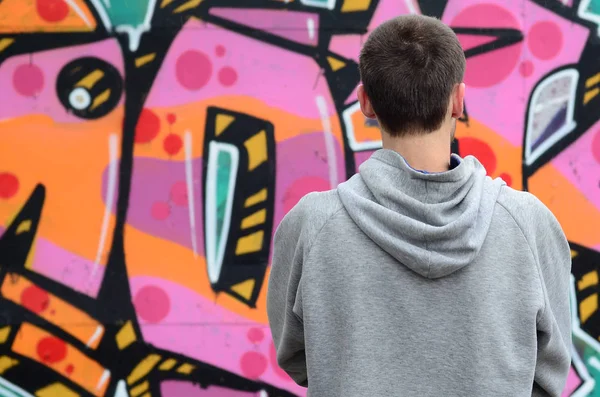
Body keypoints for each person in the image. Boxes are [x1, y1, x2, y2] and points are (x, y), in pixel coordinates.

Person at [266, 14, 571, 396]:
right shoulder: (529, 223)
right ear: (458, 101)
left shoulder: (311, 226)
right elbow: (549, 369)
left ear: (365, 102)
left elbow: (297, 356)